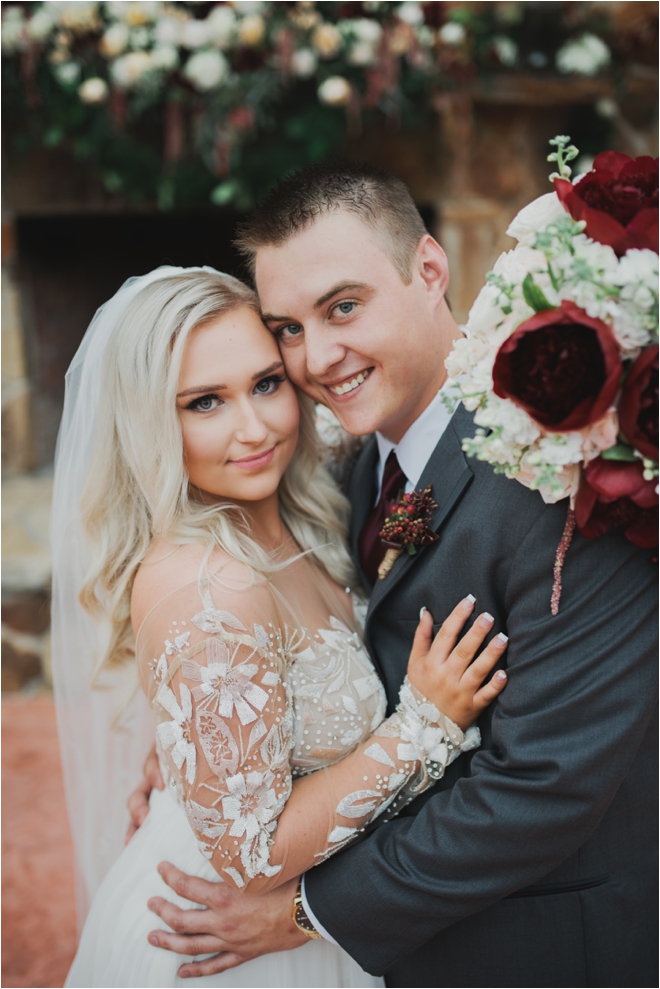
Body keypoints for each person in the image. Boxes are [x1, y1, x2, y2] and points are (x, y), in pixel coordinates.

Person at [134, 163, 658, 988]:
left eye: (343, 307)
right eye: (290, 329)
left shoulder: (568, 472)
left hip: (538, 946)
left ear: (428, 270)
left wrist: (309, 908)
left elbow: (545, 782)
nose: (318, 358)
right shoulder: (339, 473)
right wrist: (214, 741)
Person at [54, 266, 509, 989]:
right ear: (149, 423)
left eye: (266, 383)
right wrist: (426, 723)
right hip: (234, 940)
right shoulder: (210, 588)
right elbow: (252, 852)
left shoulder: (310, 495)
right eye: (204, 402)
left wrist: (195, 745)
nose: (255, 427)